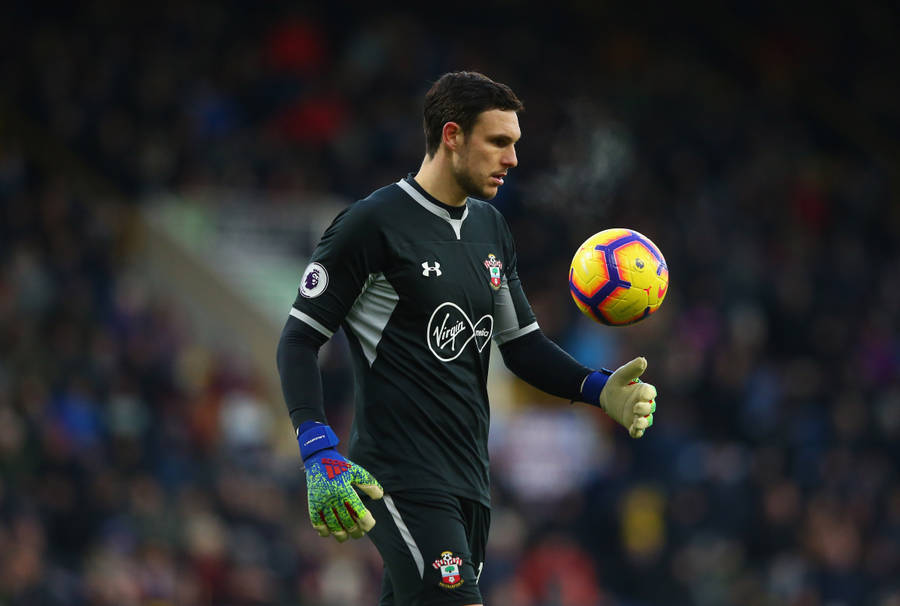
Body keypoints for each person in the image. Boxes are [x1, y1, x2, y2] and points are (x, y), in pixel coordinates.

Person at [276, 71, 658, 606]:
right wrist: (317, 450)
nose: (513, 159)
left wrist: (600, 390)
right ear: (452, 136)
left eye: (515, 144)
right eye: (499, 142)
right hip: (401, 475)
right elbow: (298, 339)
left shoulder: (490, 229)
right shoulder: (371, 225)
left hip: (470, 484)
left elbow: (522, 346)